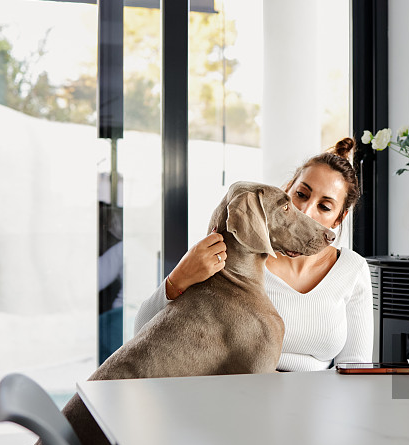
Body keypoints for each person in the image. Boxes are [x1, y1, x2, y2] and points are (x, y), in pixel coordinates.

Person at [133, 137, 374, 371]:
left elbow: (356, 366)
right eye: (301, 194)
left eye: (324, 206)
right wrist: (178, 279)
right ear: (286, 191)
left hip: (317, 393)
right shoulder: (234, 260)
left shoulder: (351, 269)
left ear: (339, 218)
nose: (306, 210)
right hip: (240, 389)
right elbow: (142, 331)